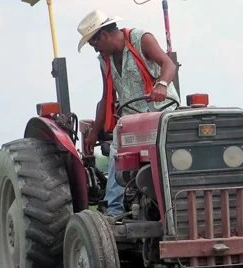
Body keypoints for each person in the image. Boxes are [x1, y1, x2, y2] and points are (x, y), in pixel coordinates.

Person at [76, 9, 181, 217]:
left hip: (161, 112)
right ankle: (114, 210)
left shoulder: (140, 39)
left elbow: (168, 63)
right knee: (117, 151)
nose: (94, 48)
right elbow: (107, 96)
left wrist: (161, 85)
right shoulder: (104, 59)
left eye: (93, 43)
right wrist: (94, 132)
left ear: (104, 35)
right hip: (131, 120)